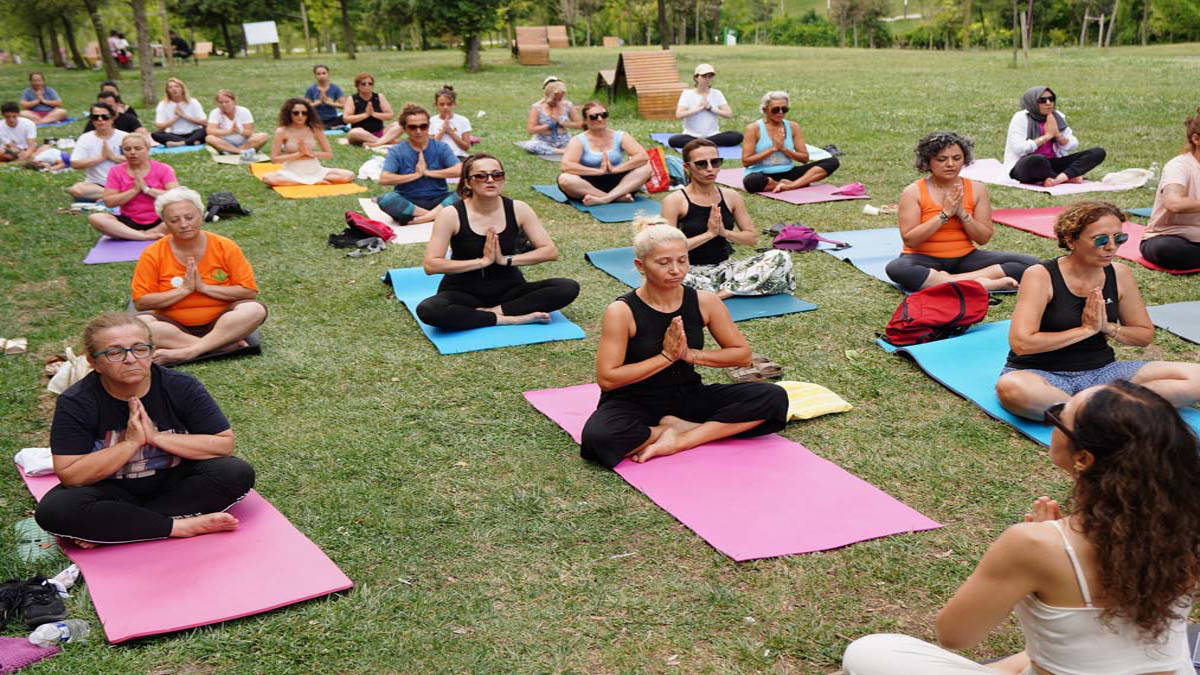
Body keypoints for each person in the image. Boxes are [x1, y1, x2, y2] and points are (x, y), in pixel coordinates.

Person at [842, 380, 1200, 675]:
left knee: (871, 651)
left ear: (1083, 459)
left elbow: (955, 635)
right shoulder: (1188, 523)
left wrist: (1042, 558)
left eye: (1059, 417)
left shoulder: (1032, 545)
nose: (1053, 419)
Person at [34, 312, 256, 547]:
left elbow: (223, 444)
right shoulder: (77, 402)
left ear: (151, 352)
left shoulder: (180, 386)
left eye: (140, 349)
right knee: (54, 511)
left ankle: (124, 526)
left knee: (235, 472)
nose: (130, 359)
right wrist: (130, 443)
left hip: (173, 483)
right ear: (93, 362)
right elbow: (71, 475)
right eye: (114, 352)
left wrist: (155, 437)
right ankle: (177, 527)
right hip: (111, 490)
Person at [578, 224, 789, 467]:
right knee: (598, 440)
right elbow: (607, 379)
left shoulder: (705, 302)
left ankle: (681, 438)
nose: (675, 270)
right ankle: (663, 432)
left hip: (687, 395)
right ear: (641, 266)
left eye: (682, 260)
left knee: (773, 397)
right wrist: (666, 357)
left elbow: (742, 355)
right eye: (664, 263)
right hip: (632, 400)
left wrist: (689, 354)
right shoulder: (622, 311)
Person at [996, 200, 1200, 420]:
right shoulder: (1041, 275)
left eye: (1119, 238)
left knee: (1196, 377)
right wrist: (1085, 330)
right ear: (1070, 240)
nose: (1111, 246)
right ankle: (1111, 411)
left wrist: (1108, 328)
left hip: (1103, 373)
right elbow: (1022, 343)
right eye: (1101, 240)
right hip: (1042, 374)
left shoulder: (1120, 274)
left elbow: (1144, 335)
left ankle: (1086, 412)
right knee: (1011, 387)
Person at [416, 153, 580, 331]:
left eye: (497, 175)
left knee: (567, 287)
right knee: (429, 310)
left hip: (509, 290)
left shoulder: (519, 209)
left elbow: (549, 251)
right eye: (481, 176)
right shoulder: (451, 214)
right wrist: (482, 262)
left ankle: (492, 313)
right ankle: (511, 319)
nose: (490, 180)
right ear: (468, 183)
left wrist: (504, 260)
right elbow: (431, 265)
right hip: (462, 291)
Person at [886, 131, 1039, 293]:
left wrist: (962, 214)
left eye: (956, 158)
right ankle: (983, 283)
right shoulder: (913, 192)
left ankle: (949, 281)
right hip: (923, 259)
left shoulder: (977, 189)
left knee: (1030, 264)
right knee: (897, 268)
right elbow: (911, 240)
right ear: (928, 162)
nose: (950, 164)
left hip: (965, 259)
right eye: (942, 159)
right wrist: (944, 214)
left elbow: (983, 238)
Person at [131, 187, 268, 365]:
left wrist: (205, 288)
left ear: (201, 214)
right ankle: (218, 346)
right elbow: (141, 303)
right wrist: (184, 291)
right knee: (140, 326)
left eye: (189, 217)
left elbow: (249, 292)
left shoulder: (224, 246)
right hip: (172, 326)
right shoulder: (152, 253)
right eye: (174, 220)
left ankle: (190, 351)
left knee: (254, 309)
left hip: (222, 322)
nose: (183, 224)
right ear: (165, 221)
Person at [660, 139, 794, 298]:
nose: (710, 169)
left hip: (726, 270)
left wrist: (724, 233)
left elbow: (751, 238)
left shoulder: (731, 196)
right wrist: (709, 234)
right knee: (665, 278)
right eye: (701, 164)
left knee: (780, 257)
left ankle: (721, 294)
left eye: (715, 162)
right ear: (687, 167)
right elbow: (667, 250)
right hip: (689, 272)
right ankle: (737, 288)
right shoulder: (674, 201)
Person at [1004, 86, 1107, 188]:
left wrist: (1058, 136)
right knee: (1038, 160)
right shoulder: (1021, 118)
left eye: (1051, 99)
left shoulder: (1057, 116)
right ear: (1032, 102)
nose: (1048, 103)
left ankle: (1057, 179)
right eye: (1042, 100)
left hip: (1052, 163)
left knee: (1097, 152)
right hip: (1026, 165)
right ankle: (1067, 178)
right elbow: (1019, 148)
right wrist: (1047, 136)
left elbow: (1073, 144)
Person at [741, 91, 839, 193]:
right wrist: (773, 149)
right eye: (775, 110)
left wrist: (784, 149)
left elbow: (804, 158)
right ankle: (787, 184)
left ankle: (791, 186)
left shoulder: (793, 127)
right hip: (763, 173)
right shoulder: (753, 128)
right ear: (765, 110)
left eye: (784, 109)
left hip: (789, 172)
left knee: (832, 162)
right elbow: (746, 161)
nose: (780, 113)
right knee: (751, 182)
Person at [377, 103, 460, 224]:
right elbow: (384, 179)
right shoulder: (397, 151)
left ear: (428, 126)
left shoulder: (441, 147)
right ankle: (436, 216)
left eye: (423, 126)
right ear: (405, 128)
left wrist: (427, 172)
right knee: (386, 200)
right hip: (409, 201)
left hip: (439, 200)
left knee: (468, 192)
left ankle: (423, 219)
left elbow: (460, 170)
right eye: (412, 127)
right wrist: (416, 175)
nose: (418, 131)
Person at [557, 102, 652, 206]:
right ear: (585, 120)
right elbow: (566, 166)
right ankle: (616, 198)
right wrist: (598, 171)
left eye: (604, 115)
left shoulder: (620, 136)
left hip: (619, 182)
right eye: (593, 116)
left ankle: (605, 198)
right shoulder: (578, 140)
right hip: (588, 183)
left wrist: (617, 169)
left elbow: (643, 156)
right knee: (564, 179)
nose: (600, 119)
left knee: (646, 168)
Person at [1141, 106, 1200, 271]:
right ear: (1196, 139)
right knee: (1167, 249)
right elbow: (1174, 204)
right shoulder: (1179, 166)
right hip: (1171, 237)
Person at [87, 134, 178, 240]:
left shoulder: (163, 169)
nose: (132, 152)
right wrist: (134, 190)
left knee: (182, 216)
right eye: (127, 149)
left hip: (161, 219)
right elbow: (109, 202)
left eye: (138, 148)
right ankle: (142, 236)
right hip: (129, 221)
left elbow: (176, 196)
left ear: (147, 149)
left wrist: (147, 189)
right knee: (96, 218)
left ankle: (141, 234)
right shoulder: (116, 171)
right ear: (123, 151)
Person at [261, 99, 354, 187]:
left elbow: (328, 154)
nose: (300, 116)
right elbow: (274, 159)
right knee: (268, 178)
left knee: (348, 175)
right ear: (289, 114)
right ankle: (307, 182)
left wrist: (310, 154)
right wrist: (298, 154)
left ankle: (309, 181)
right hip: (291, 169)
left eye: (304, 113)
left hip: (314, 168)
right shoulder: (282, 131)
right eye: (296, 113)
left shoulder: (315, 129)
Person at [668, 64, 742, 150]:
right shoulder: (687, 93)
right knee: (673, 140)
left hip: (713, 135)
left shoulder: (717, 93)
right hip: (691, 136)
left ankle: (702, 142)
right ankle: (704, 142)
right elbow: (679, 114)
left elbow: (728, 114)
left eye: (710, 76)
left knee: (737, 136)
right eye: (704, 76)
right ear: (696, 78)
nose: (707, 79)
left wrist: (711, 108)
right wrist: (699, 108)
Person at [68, 101, 128, 202]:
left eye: (105, 117)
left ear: (113, 118)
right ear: (92, 120)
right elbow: (75, 163)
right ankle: (115, 197)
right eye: (96, 117)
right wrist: (101, 158)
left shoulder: (125, 137)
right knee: (76, 189)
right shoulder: (85, 138)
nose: (100, 120)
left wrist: (113, 157)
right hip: (96, 184)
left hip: (123, 182)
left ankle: (108, 197)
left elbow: (141, 161)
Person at [516, 77, 582, 156]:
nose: (557, 102)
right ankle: (562, 151)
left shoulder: (568, 105)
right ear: (547, 95)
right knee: (531, 146)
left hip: (564, 140)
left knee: (582, 142)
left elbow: (580, 125)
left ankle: (564, 150)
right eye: (554, 99)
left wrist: (563, 123)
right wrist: (549, 125)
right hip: (543, 141)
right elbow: (531, 130)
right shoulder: (537, 107)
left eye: (560, 99)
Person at [204, 90, 268, 156]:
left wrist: (239, 131)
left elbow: (249, 132)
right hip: (225, 142)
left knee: (263, 136)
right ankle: (239, 152)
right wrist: (229, 131)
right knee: (209, 138)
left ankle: (234, 151)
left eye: (227, 102)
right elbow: (210, 131)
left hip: (245, 142)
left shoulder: (244, 111)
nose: (224, 105)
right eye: (221, 102)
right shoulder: (215, 112)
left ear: (234, 101)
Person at [152, 78, 206, 147]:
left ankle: (182, 143)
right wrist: (175, 117)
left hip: (194, 132)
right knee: (155, 134)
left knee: (206, 130)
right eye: (170, 87)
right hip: (175, 134)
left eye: (176, 86)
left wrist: (183, 115)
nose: (174, 89)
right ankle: (192, 142)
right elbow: (160, 127)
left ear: (182, 89)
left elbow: (204, 122)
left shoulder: (193, 102)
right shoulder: (163, 105)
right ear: (167, 91)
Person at [343, 73, 393, 146]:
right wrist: (365, 115)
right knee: (353, 133)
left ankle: (377, 142)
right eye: (364, 84)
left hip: (380, 132)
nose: (367, 86)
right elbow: (346, 118)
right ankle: (383, 142)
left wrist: (373, 114)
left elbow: (390, 115)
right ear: (358, 86)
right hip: (361, 133)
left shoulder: (379, 97)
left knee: (398, 125)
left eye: (370, 83)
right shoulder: (353, 99)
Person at [83, 91, 149, 139]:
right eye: (102, 106)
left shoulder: (129, 118)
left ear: (117, 104)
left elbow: (142, 134)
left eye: (109, 106)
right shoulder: (95, 122)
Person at [303, 64, 345, 129]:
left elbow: (344, 106)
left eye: (324, 73)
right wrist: (317, 103)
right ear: (315, 76)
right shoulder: (311, 89)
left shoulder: (336, 88)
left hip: (332, 118)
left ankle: (326, 127)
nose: (321, 76)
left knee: (346, 117)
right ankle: (330, 127)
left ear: (328, 74)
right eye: (318, 74)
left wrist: (330, 103)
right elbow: (304, 107)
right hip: (316, 119)